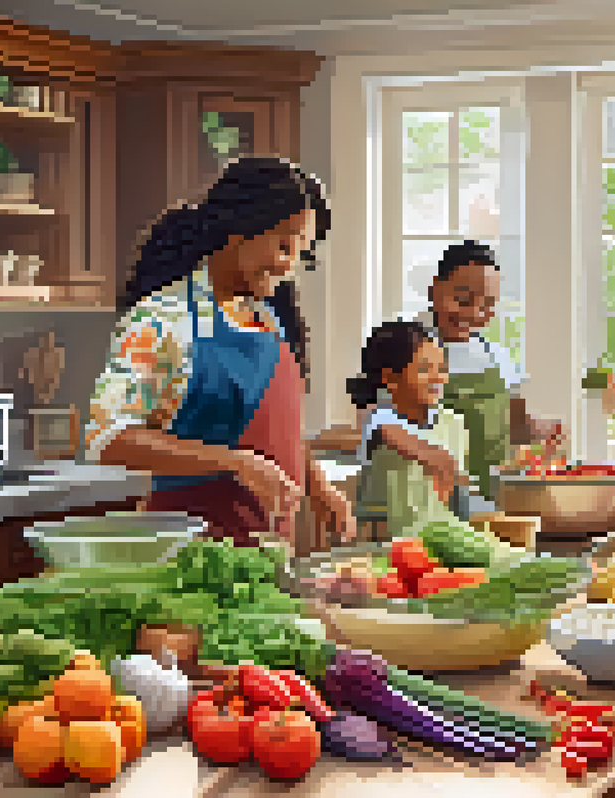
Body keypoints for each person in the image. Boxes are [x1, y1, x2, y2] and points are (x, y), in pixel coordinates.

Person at [83, 157, 355, 547]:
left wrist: (319, 487)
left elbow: (278, 431)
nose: (289, 266)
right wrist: (235, 462)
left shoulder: (267, 319)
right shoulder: (161, 320)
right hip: (191, 556)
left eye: (300, 253)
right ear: (238, 229)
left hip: (269, 552)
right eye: (283, 246)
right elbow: (106, 439)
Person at [359, 242, 566, 504]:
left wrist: (546, 430)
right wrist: (431, 454)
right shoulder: (401, 344)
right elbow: (371, 418)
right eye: (463, 300)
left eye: (488, 304)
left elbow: (513, 425)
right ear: (434, 289)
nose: (474, 312)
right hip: (412, 499)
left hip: (486, 501)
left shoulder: (498, 357)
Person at [346, 320, 468, 537]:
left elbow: (457, 500)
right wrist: (432, 454)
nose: (438, 378)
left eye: (442, 368)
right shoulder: (377, 420)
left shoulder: (453, 423)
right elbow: (383, 429)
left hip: (440, 546)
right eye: (424, 369)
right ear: (391, 378)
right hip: (384, 548)